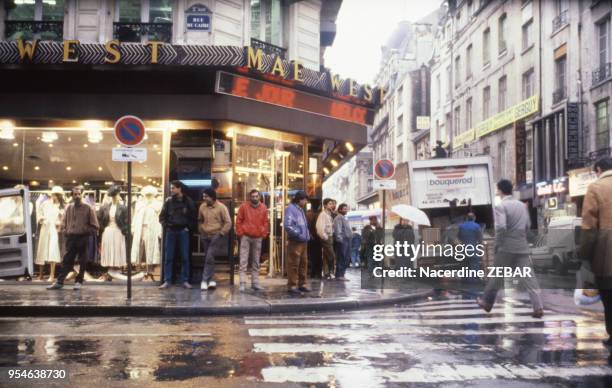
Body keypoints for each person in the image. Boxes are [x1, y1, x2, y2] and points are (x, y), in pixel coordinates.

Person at [478, 179, 543, 318]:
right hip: (522, 246)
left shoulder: (501, 206)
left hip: (506, 247)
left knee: (496, 276)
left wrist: (498, 244)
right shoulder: (521, 206)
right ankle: (538, 307)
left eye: (497, 189)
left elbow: (501, 227)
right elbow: (528, 225)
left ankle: (487, 302)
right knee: (529, 277)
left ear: (500, 190)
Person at [580, 157, 612, 350]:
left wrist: (585, 254)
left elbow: (589, 227)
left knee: (609, 297)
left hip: (607, 253)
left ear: (599, 169)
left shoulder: (596, 187)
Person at [47, 186, 99, 290]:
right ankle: (60, 282)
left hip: (82, 237)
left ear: (82, 194)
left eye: (79, 194)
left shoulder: (88, 208)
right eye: (75, 194)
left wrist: (85, 230)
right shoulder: (68, 207)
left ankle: (79, 281)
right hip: (71, 238)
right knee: (67, 260)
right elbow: (64, 221)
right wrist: (65, 230)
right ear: (72, 195)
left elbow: (95, 225)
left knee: (82, 261)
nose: (77, 196)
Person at [158, 180, 196, 289]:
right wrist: (167, 226)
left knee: (185, 256)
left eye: (173, 188)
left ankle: (185, 280)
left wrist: (188, 228)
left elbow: (193, 217)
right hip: (171, 231)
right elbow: (161, 217)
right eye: (171, 188)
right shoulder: (168, 201)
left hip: (183, 231)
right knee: (168, 256)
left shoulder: (188, 201)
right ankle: (167, 280)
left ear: (179, 188)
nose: (171, 190)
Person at [198, 188, 232, 291]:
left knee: (209, 257)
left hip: (216, 236)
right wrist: (201, 229)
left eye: (206, 196)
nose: (204, 198)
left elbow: (228, 222)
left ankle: (204, 280)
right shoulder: (202, 206)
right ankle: (212, 281)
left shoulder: (222, 207)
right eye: (203, 196)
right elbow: (199, 220)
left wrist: (221, 233)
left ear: (212, 197)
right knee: (209, 258)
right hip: (205, 236)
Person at [236, 189, 269, 292]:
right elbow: (239, 220)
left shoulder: (263, 207)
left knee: (256, 261)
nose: (254, 198)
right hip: (246, 236)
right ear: (250, 197)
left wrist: (263, 233)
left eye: (256, 196)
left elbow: (265, 222)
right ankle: (242, 283)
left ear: (259, 197)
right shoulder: (244, 206)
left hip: (257, 236)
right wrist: (241, 233)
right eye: (253, 196)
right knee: (243, 260)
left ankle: (255, 283)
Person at [284, 191, 311, 294]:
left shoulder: (299, 209)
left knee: (303, 263)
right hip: (296, 241)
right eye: (305, 199)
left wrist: (305, 235)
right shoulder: (291, 209)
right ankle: (292, 285)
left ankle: (302, 284)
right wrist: (299, 235)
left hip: (302, 241)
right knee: (294, 264)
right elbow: (288, 225)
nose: (306, 202)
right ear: (300, 199)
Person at [316, 198, 336, 279]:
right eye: (330, 204)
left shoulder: (329, 214)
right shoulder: (323, 214)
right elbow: (320, 228)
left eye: (332, 204)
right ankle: (331, 272)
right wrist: (325, 237)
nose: (331, 205)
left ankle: (326, 273)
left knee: (326, 255)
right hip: (327, 237)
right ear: (325, 205)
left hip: (330, 236)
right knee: (331, 255)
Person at [333, 203, 352, 281]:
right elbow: (338, 229)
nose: (346, 210)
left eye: (346, 208)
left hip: (347, 240)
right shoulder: (338, 218)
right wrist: (340, 239)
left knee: (346, 258)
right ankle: (339, 275)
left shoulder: (344, 217)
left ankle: (342, 274)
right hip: (342, 240)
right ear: (340, 209)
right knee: (341, 257)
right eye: (344, 209)